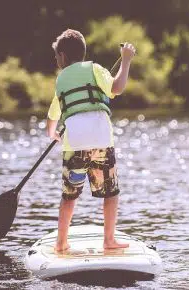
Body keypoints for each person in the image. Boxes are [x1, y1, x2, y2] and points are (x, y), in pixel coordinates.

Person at [46, 29, 136, 252]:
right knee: (110, 193)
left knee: (69, 196)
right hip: (101, 141)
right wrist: (125, 61)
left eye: (57, 56)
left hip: (74, 143)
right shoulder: (95, 69)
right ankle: (109, 241)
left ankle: (61, 243)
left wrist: (52, 133)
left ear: (64, 56)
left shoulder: (61, 79)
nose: (56, 60)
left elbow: (54, 113)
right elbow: (117, 87)